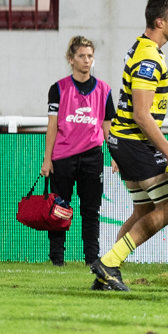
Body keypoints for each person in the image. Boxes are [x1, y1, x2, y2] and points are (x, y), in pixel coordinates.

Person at [89, 0, 168, 293]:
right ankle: (108, 263)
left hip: (125, 141)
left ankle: (107, 271)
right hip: (136, 142)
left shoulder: (144, 47)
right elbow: (142, 115)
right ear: (160, 22)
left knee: (143, 211)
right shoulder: (148, 57)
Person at [40, 35, 110, 269]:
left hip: (93, 157)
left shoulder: (105, 91)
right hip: (63, 158)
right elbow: (52, 127)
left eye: (90, 56)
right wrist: (47, 160)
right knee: (60, 209)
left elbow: (108, 130)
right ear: (71, 59)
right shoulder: (58, 89)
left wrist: (116, 157)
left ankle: (92, 258)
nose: (87, 60)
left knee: (91, 211)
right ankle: (57, 259)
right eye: (81, 56)